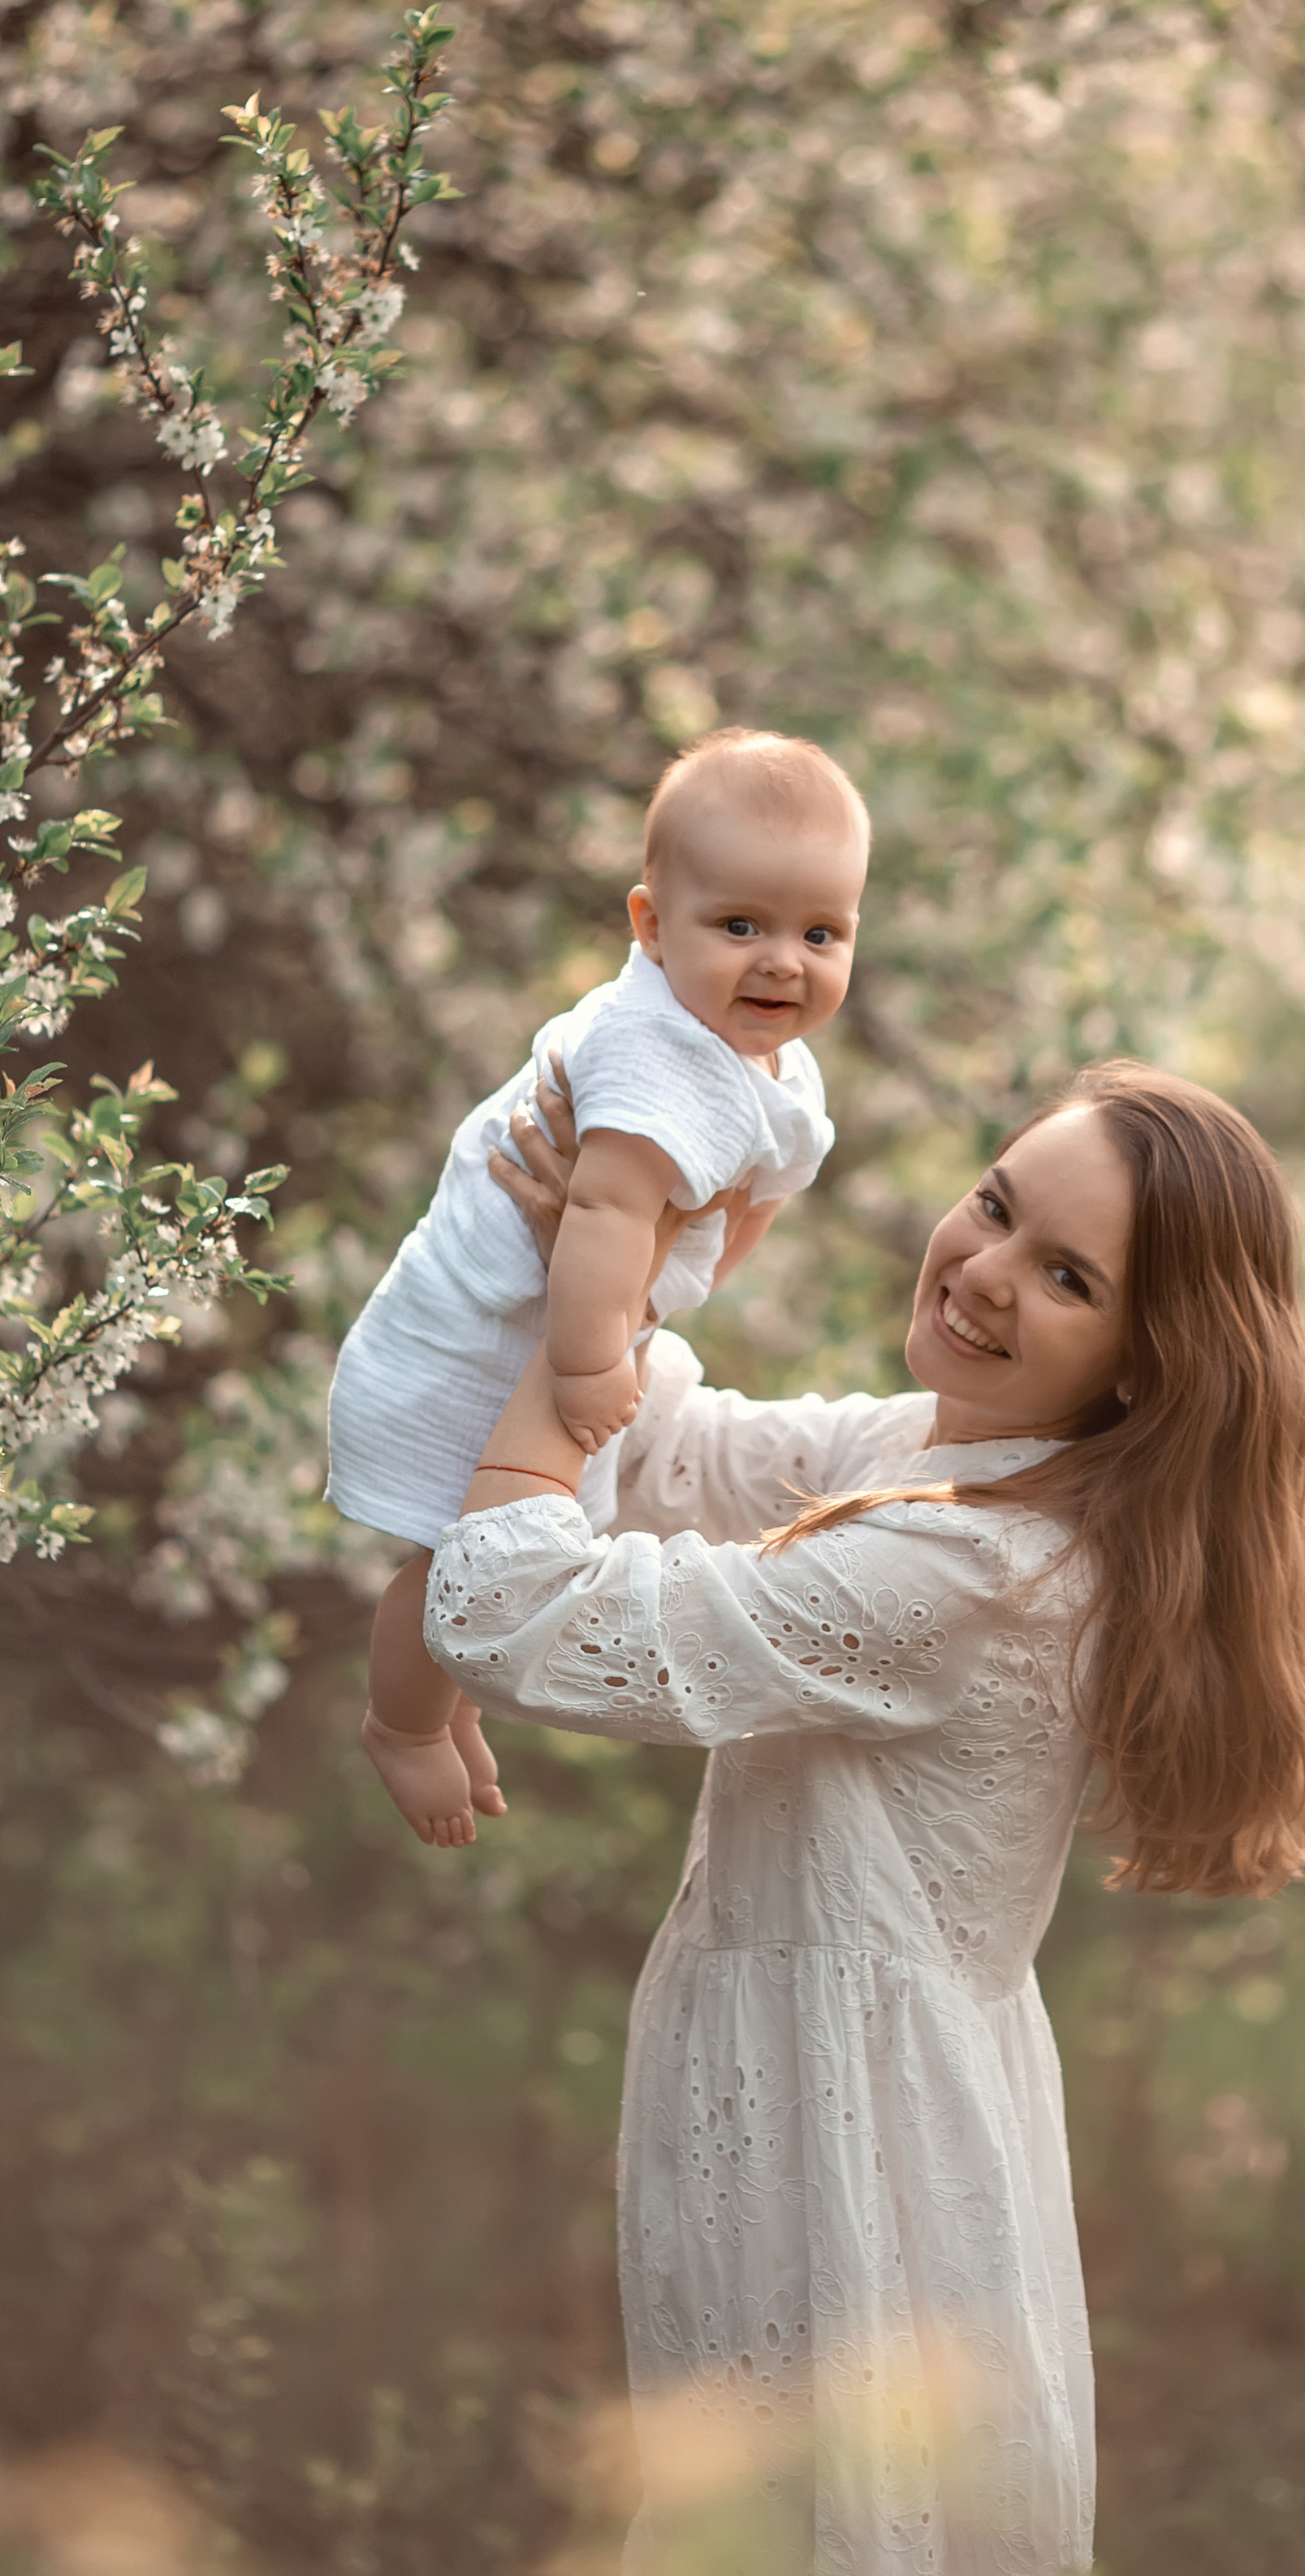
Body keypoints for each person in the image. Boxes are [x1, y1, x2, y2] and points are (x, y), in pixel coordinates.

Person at [421, 1058, 1305, 2575]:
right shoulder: (943, 1454)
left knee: (815, 2527)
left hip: (856, 2151)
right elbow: (677, 1455)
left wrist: (559, 1364)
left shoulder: (979, 1572)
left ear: (1142, 1359)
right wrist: (604, 1275)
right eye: (994, 1205)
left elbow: (514, 1612)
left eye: (1065, 1275)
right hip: (816, 2092)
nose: (982, 1272)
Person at [328, 727, 871, 1843]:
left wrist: (663, 1301)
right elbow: (606, 1210)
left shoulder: (770, 1060)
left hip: (566, 1318)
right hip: (478, 1338)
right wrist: (588, 1364)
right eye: (741, 927)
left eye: (822, 933)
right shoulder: (654, 1057)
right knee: (445, 1559)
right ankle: (404, 1726)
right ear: (650, 926)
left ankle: (446, 1700)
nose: (784, 962)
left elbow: (736, 1206)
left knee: (486, 1546)